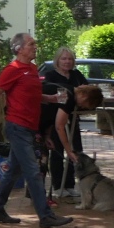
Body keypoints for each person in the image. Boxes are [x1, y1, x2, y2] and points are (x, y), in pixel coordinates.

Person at [0, 33, 72, 228]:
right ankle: (46, 215)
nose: (35, 47)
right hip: (17, 126)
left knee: (13, 172)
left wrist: (51, 99)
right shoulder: (12, 69)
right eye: (31, 44)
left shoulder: (31, 69)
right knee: (33, 171)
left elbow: (33, 95)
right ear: (19, 49)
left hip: (29, 127)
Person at [38, 48, 84, 198]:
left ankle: (70, 184)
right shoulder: (50, 75)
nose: (67, 62)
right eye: (64, 59)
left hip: (73, 118)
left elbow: (86, 90)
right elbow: (52, 92)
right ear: (57, 60)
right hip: (55, 119)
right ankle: (58, 185)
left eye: (70, 59)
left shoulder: (77, 75)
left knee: (75, 149)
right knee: (58, 151)